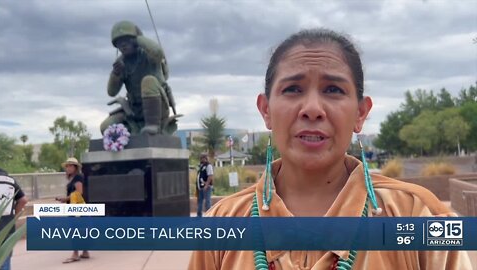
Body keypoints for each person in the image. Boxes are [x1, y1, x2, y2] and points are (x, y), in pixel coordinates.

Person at [188, 29, 472, 269]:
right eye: (293, 89)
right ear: (266, 110)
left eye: (333, 90)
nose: (312, 109)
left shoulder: (421, 217)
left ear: (360, 113)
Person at [100, 20, 178, 135]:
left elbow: (158, 52)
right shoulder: (122, 63)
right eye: (119, 42)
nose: (123, 44)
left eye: (127, 40)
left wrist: (139, 38)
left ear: (134, 40)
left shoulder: (148, 54)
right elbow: (111, 92)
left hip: (157, 108)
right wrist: (116, 74)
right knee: (106, 128)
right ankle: (133, 134)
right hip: (135, 110)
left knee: (148, 80)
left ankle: (153, 125)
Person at [56, 157, 89, 263]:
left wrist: (65, 199)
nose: (68, 168)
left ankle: (75, 253)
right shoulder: (73, 178)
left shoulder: (78, 177)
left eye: (70, 166)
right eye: (67, 166)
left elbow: (79, 192)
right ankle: (85, 251)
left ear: (75, 167)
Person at [0, 167, 28, 270]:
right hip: (7, 228)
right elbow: (23, 200)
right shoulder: (10, 180)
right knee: (4, 259)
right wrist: (13, 217)